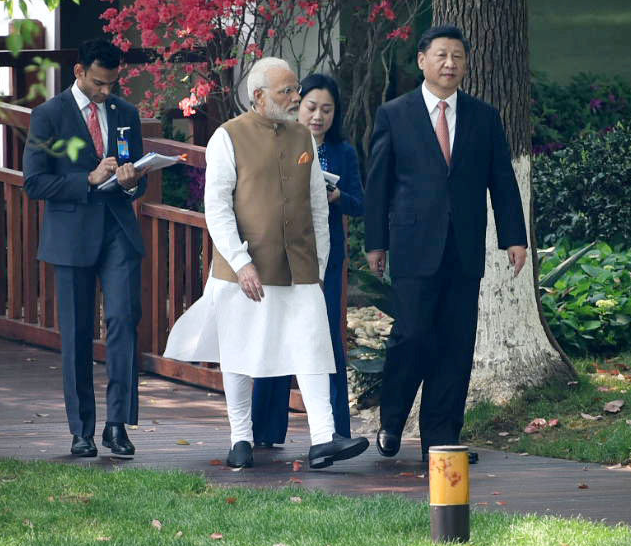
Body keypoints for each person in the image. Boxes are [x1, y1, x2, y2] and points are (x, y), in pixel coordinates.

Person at [162, 57, 369, 470]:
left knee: (313, 348)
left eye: (295, 90)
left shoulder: (302, 139)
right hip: (245, 269)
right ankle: (240, 437)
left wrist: (321, 262)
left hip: (301, 266)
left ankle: (323, 439)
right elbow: (217, 207)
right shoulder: (227, 137)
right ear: (258, 96)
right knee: (240, 351)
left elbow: (315, 206)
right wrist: (240, 263)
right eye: (286, 92)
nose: (296, 99)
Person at [364, 24, 527, 465]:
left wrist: (514, 237)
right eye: (441, 55)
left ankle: (441, 437)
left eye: (458, 56)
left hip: (464, 247)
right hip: (414, 245)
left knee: (456, 343)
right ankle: (393, 419)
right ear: (422, 60)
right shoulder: (394, 114)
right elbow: (378, 183)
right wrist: (375, 242)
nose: (449, 64)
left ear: (466, 64)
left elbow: (503, 181)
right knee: (412, 334)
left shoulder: (483, 116)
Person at [22, 39, 146, 459]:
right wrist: (87, 180)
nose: (106, 92)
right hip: (71, 235)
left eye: (113, 83)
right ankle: (82, 431)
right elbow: (34, 183)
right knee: (76, 334)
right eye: (99, 83)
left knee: (123, 322)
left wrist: (132, 180)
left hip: (117, 231)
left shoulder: (126, 113)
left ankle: (117, 425)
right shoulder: (48, 115)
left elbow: (138, 177)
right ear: (78, 72)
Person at [249, 72, 361, 450]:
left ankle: (335, 431)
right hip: (280, 254)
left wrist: (336, 197)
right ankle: (264, 429)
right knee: (274, 335)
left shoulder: (343, 151)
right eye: (311, 107)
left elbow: (360, 202)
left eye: (327, 110)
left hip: (324, 258)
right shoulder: (277, 142)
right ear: (298, 107)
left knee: (325, 338)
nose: (318, 116)